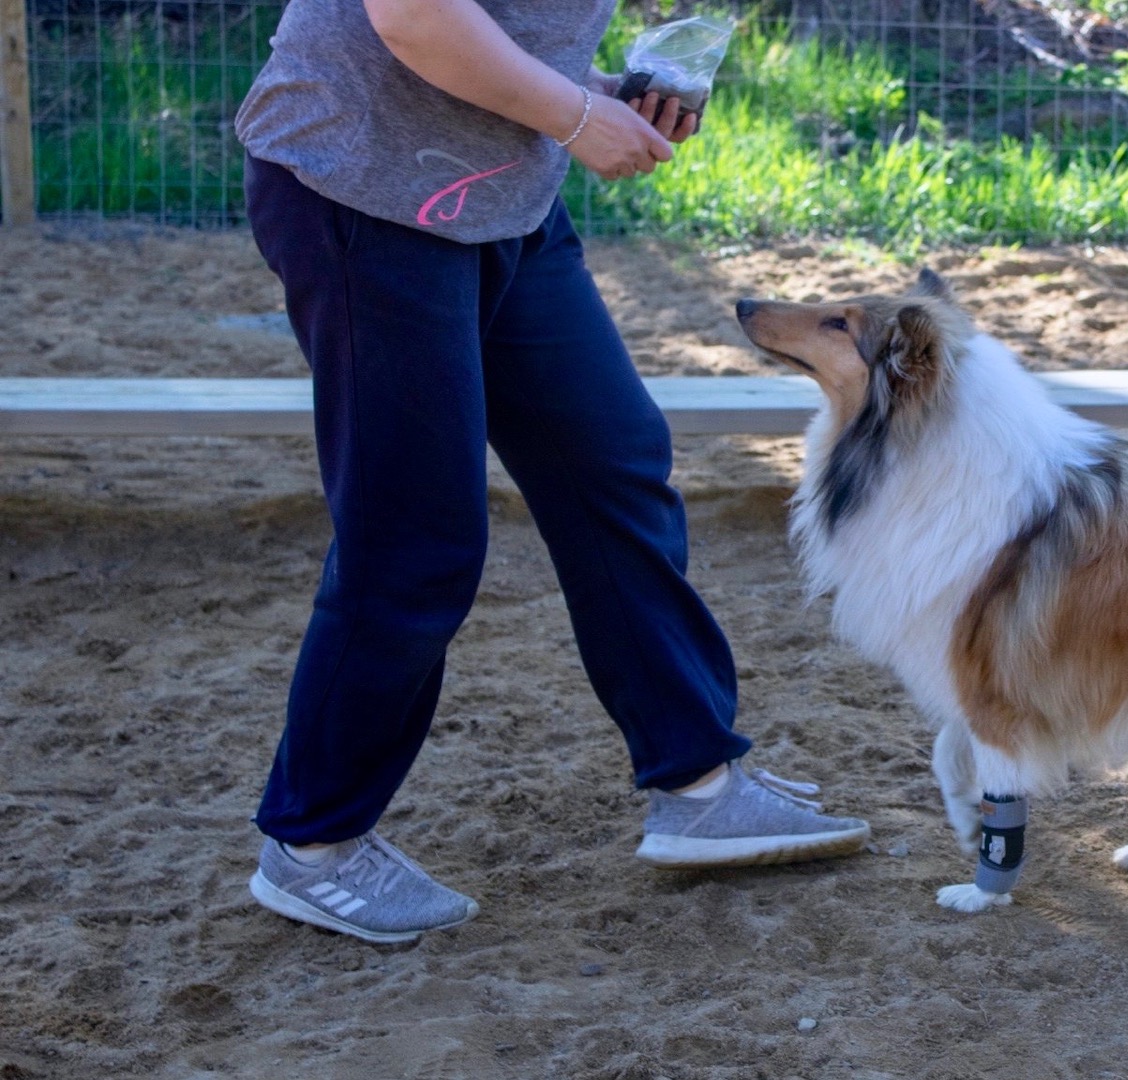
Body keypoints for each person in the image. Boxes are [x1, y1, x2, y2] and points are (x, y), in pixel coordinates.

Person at [232, 0, 869, 945]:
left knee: (611, 462)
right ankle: (312, 845)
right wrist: (576, 118)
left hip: (501, 195)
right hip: (362, 190)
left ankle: (695, 781)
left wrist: (611, 95)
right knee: (416, 545)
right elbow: (412, 17)